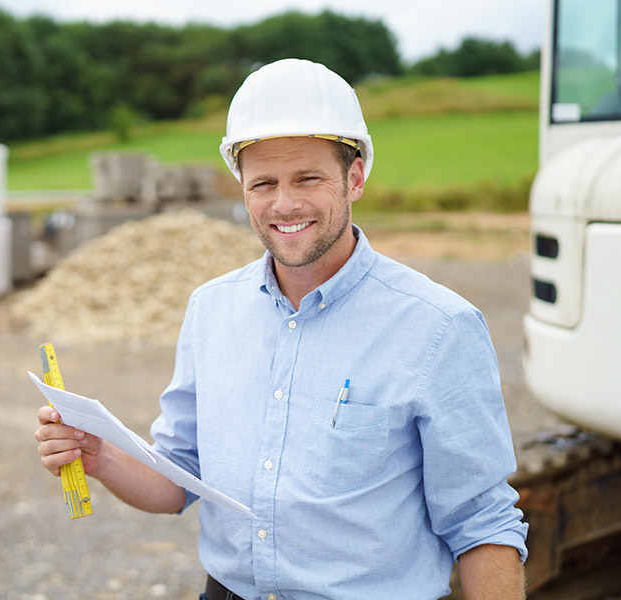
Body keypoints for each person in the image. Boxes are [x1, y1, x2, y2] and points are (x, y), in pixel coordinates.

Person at [35, 58, 528, 600]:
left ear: (355, 176)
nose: (284, 203)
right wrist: (98, 455)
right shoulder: (211, 310)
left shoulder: (438, 327)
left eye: (308, 178)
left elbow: (482, 524)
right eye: (263, 183)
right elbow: (177, 477)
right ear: (241, 188)